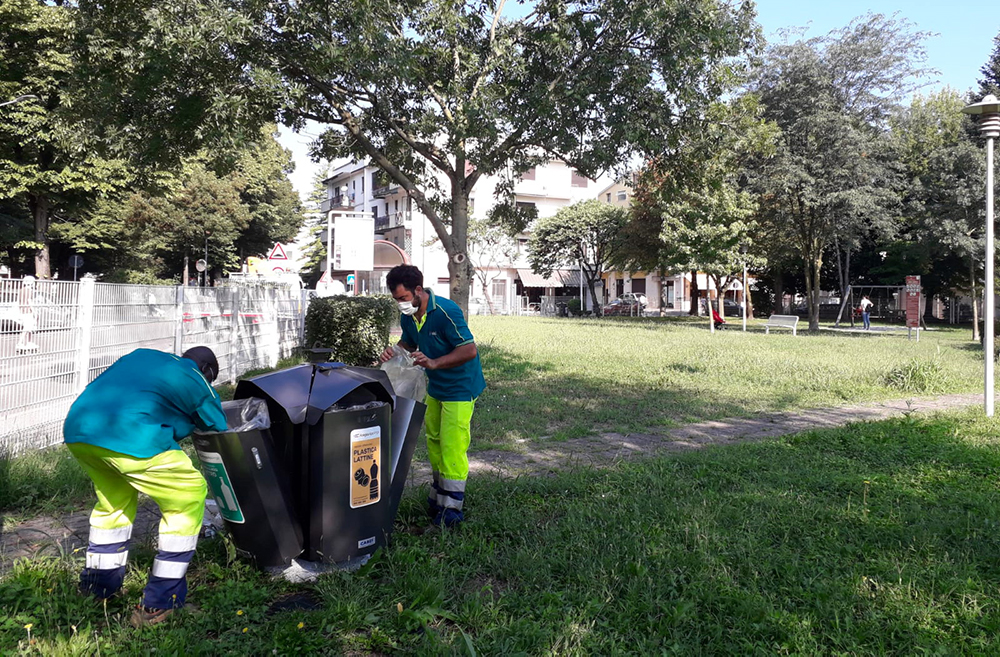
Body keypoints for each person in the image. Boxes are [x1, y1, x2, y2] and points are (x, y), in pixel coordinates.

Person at [63, 346, 227, 627]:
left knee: (113, 506)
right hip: (133, 436)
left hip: (81, 430)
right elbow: (219, 424)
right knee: (187, 495)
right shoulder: (196, 378)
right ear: (208, 372)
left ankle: (97, 590)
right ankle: (161, 604)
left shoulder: (143, 356)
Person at [379, 265, 486, 528]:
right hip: (436, 387)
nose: (401, 304)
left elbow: (469, 350)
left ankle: (451, 509)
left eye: (403, 298)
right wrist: (393, 351)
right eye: (396, 300)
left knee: (452, 444)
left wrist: (436, 363)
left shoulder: (447, 312)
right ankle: (439, 496)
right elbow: (409, 342)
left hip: (461, 387)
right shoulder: (410, 315)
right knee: (435, 441)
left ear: (418, 290)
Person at [15, 275, 38, 353]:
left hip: (22, 310)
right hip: (28, 311)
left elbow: (18, 301)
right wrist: (34, 311)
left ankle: (29, 342)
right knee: (27, 327)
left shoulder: (21, 290)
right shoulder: (29, 291)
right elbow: (30, 301)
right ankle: (20, 343)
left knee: (29, 327)